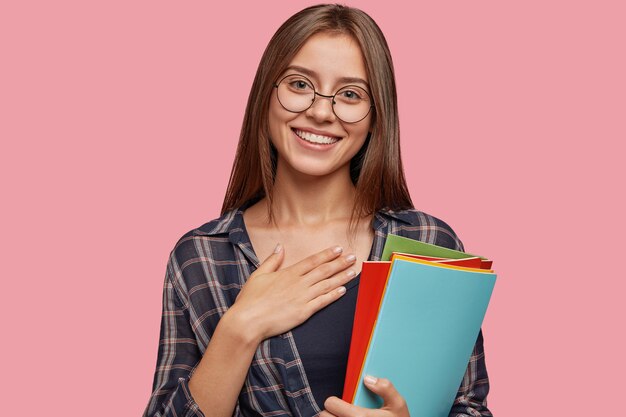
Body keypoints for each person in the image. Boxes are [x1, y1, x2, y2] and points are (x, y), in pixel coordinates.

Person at [143, 4, 492, 417]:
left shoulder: (429, 243)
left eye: (350, 94)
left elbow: (470, 408)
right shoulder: (201, 256)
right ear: (265, 94)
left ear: (376, 116)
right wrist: (240, 327)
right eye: (299, 84)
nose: (321, 112)